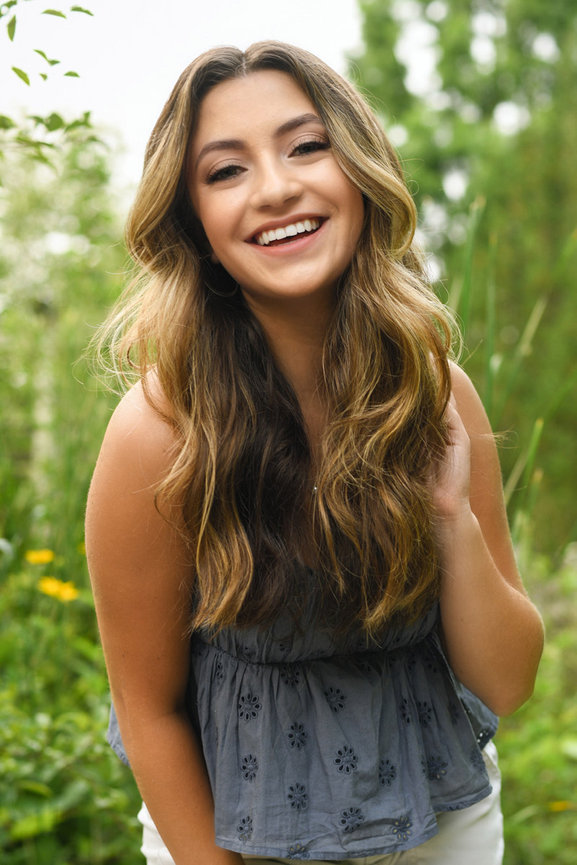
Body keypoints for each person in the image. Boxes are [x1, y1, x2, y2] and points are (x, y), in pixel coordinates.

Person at [85, 41, 544, 865]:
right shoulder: (158, 432)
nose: (276, 187)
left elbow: (506, 681)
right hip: (232, 831)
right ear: (192, 223)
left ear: (359, 172)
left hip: (440, 819)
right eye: (225, 171)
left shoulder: (436, 394)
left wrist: (447, 514)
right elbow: (147, 709)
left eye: (306, 146)